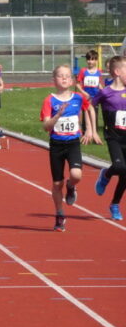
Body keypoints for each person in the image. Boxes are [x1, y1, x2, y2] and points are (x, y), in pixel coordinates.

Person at [40, 64, 97, 232]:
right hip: (56, 145)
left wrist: (90, 130)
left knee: (76, 174)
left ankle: (71, 187)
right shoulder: (49, 100)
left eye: (67, 76)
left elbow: (89, 109)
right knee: (57, 184)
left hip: (72, 143)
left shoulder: (79, 97)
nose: (64, 78)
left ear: (72, 81)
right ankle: (59, 213)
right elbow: (46, 127)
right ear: (54, 80)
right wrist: (58, 115)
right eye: (60, 75)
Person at [92, 56, 126, 221]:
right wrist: (91, 130)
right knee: (120, 167)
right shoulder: (105, 93)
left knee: (125, 174)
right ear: (118, 72)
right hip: (113, 137)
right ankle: (106, 174)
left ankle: (114, 204)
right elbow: (90, 106)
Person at [77, 49, 104, 133]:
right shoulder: (83, 71)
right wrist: (84, 93)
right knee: (86, 114)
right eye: (88, 59)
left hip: (95, 97)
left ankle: (94, 132)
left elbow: (99, 84)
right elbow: (77, 84)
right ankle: (85, 132)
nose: (90, 61)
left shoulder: (99, 72)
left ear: (96, 60)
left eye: (92, 59)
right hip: (86, 97)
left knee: (94, 114)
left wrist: (102, 91)